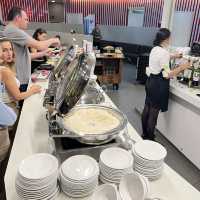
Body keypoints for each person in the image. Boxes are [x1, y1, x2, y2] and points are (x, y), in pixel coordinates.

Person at [141, 28, 191, 141]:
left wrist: (176, 56)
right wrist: (182, 67)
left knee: (147, 108)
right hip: (158, 85)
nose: (170, 39)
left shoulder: (155, 49)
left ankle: (144, 134)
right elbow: (167, 75)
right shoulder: (163, 53)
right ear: (165, 39)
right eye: (170, 37)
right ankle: (150, 139)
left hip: (150, 82)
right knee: (153, 113)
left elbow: (164, 57)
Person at [2, 6, 60, 96]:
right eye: (26, 19)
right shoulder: (13, 30)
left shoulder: (11, 30)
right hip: (20, 79)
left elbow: (25, 56)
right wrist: (54, 40)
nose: (27, 22)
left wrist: (43, 53)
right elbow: (39, 45)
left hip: (22, 78)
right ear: (18, 18)